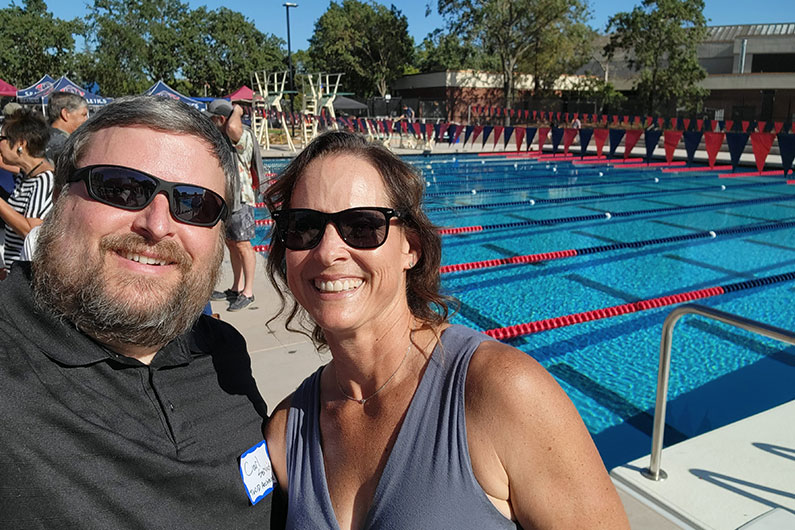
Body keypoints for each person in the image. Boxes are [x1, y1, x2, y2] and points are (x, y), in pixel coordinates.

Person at [263, 131, 629, 529]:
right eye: (304, 227)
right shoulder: (287, 433)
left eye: (362, 226)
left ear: (411, 248)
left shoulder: (500, 392)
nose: (328, 251)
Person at [0, 96, 276, 528]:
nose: (157, 224)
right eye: (121, 188)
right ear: (60, 197)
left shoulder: (224, 355)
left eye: (194, 203)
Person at [206, 98, 261, 311]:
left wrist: (236, 110)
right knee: (232, 243)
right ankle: (236, 287)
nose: (210, 123)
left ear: (221, 118)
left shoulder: (241, 134)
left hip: (242, 200)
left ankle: (248, 292)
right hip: (229, 199)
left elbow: (233, 127)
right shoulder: (222, 137)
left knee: (243, 244)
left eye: (212, 119)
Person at [0, 108, 54, 279]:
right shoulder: (26, 174)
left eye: (2, 138)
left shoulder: (45, 179)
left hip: (27, 278)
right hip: (13, 272)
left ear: (20, 144)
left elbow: (30, 231)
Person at [45, 91, 89, 163]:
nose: (86, 119)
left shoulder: (42, 138)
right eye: (83, 115)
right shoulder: (65, 146)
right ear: (65, 114)